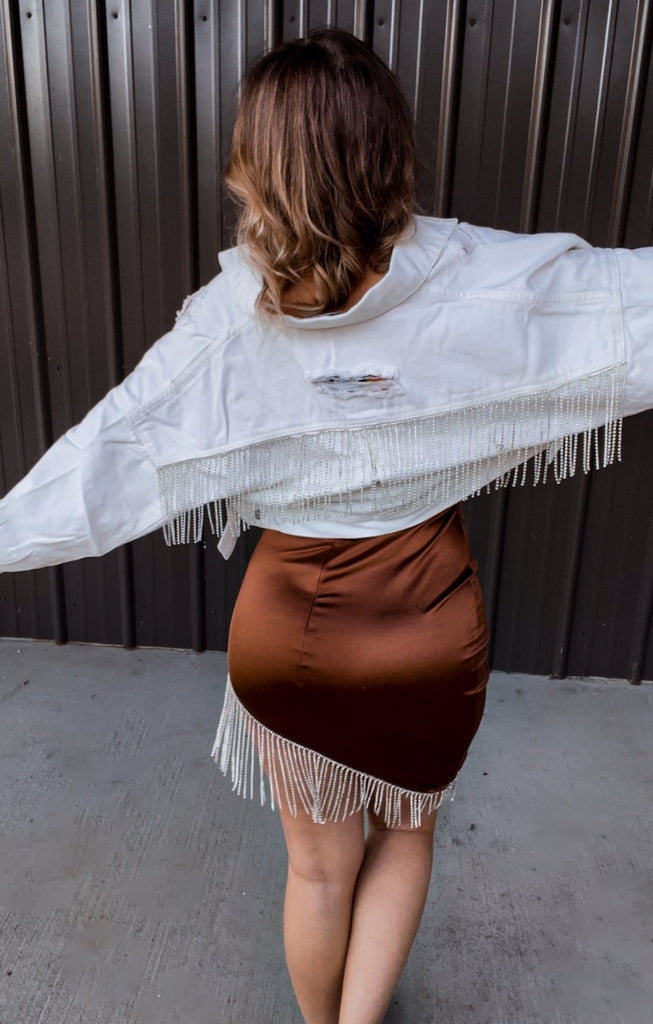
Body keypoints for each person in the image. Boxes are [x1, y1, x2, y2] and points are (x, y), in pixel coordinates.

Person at [0, 26, 651, 1024]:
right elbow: (621, 307)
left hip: (288, 639)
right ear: (389, 150)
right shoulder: (476, 274)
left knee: (316, 871)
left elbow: (104, 460)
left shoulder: (227, 317)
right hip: (427, 626)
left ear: (256, 165)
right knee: (406, 834)